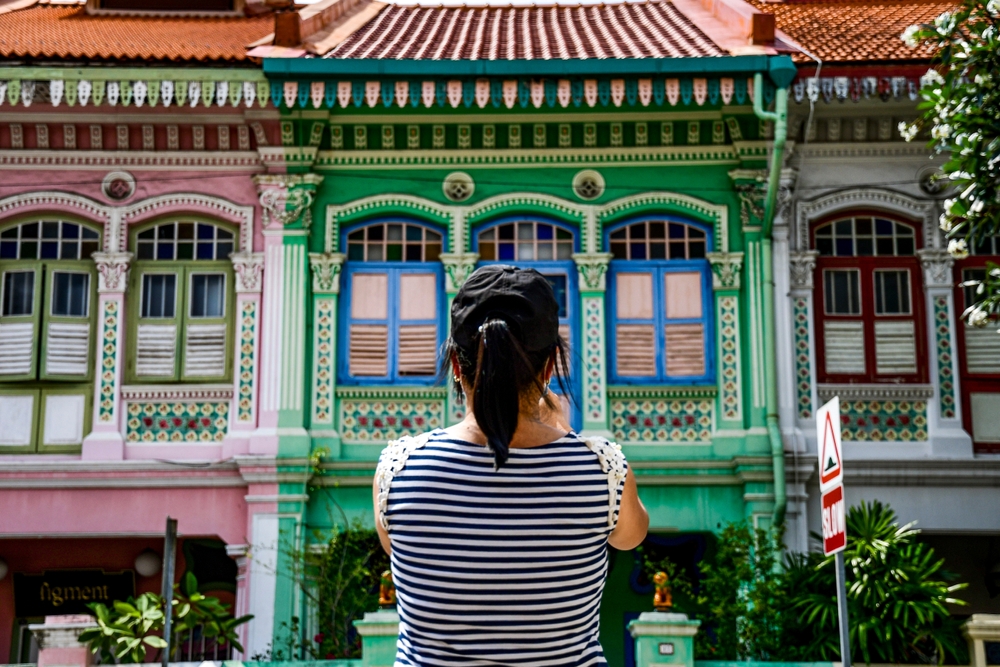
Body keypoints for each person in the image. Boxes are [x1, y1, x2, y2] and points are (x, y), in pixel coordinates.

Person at [373, 264, 649, 667]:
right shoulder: (603, 472)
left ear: (454, 364)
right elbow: (630, 537)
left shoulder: (398, 470)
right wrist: (562, 428)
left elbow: (396, 548)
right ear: (551, 365)